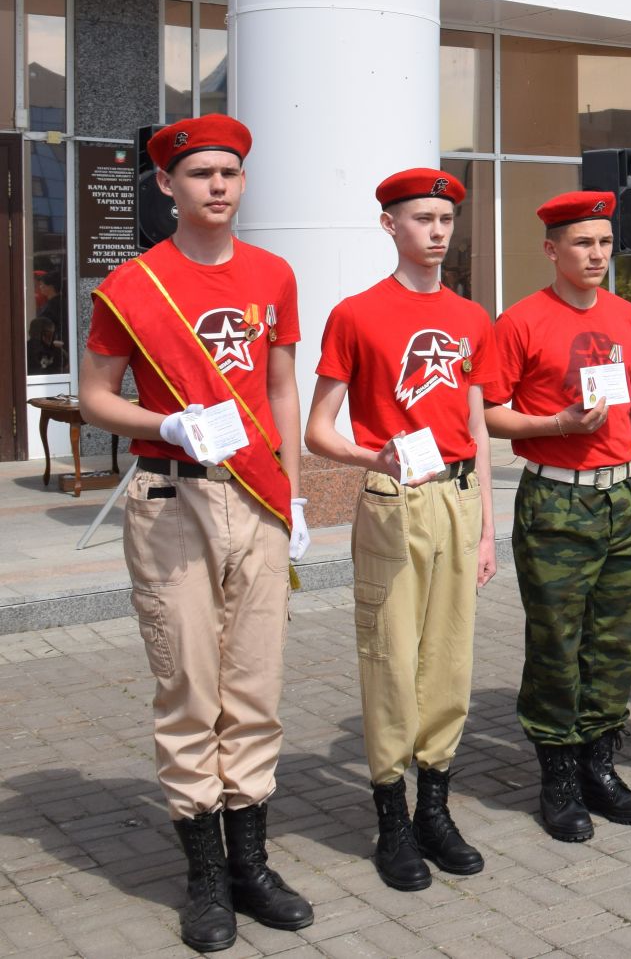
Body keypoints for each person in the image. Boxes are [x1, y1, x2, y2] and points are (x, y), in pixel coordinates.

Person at [80, 114, 313, 952]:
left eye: (230, 172)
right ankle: (204, 875)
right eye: (200, 173)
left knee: (254, 686)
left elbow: (283, 385)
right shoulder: (134, 284)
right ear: (168, 186)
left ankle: (249, 864)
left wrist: (294, 497)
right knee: (189, 687)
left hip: (254, 499)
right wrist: (163, 422)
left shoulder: (274, 274)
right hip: (170, 494)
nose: (217, 185)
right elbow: (94, 395)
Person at [307, 168, 497, 894]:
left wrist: (486, 527)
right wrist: (370, 452)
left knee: (449, 657)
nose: (438, 230)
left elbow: (475, 426)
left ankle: (436, 808)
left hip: (455, 493)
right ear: (390, 225)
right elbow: (318, 429)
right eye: (422, 217)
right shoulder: (356, 314)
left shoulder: (472, 316)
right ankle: (391, 815)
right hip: (393, 494)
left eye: (446, 217)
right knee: (390, 657)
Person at [483, 191, 631, 842]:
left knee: (616, 641)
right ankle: (557, 777)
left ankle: (600, 767)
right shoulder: (522, 321)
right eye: (582, 243)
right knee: (558, 643)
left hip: (622, 498)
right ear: (552, 250)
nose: (596, 253)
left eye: (603, 241)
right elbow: (491, 413)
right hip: (557, 497)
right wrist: (555, 423)